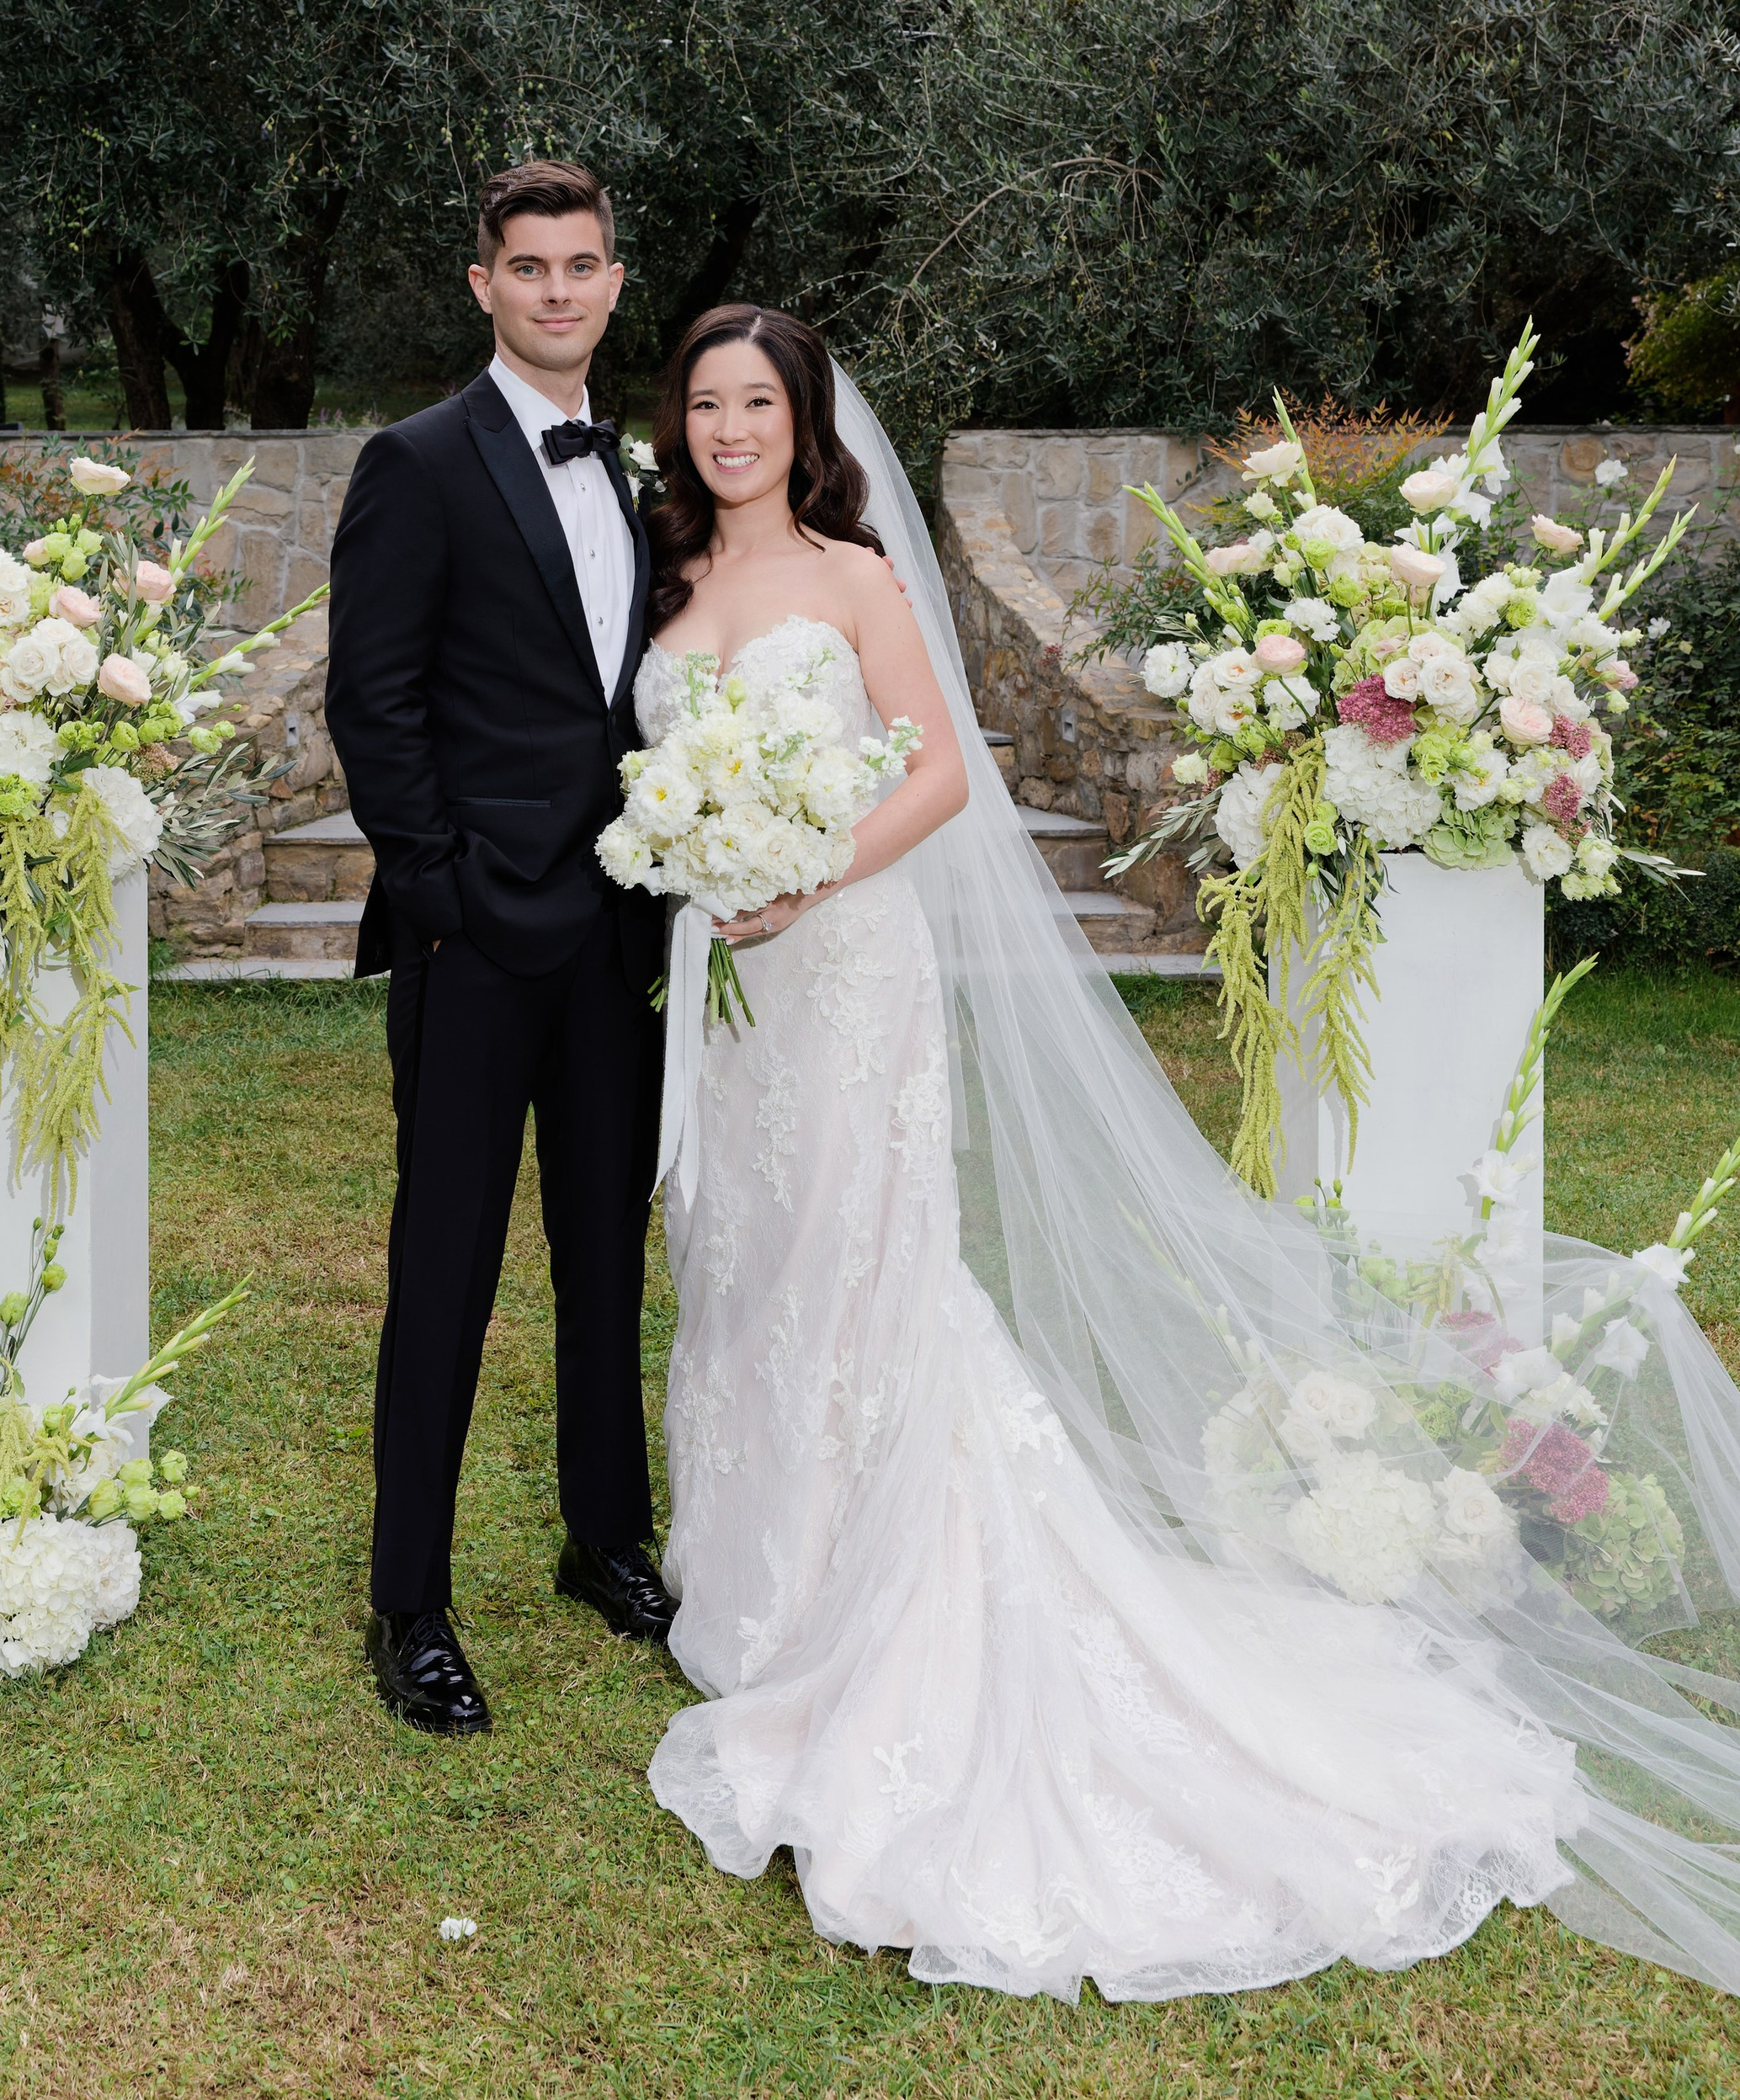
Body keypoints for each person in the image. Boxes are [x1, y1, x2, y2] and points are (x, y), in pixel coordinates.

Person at [638, 304, 1740, 2002]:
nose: (729, 431)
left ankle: (862, 1591)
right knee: (745, 1265)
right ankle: (750, 1573)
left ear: (801, 424)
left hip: (844, 973)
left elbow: (941, 774)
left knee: (862, 1268)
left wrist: (810, 872)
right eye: (705, 404)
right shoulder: (673, 590)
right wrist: (707, 863)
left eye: (756, 403)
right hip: (729, 991)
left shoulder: (853, 576)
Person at [326, 161, 669, 1737]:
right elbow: (373, 706)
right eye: (526, 267)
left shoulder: (644, 474)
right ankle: (411, 1604)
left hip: (617, 935)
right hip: (476, 943)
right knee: (444, 1271)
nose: (555, 290)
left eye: (580, 265)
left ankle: (605, 1541)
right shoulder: (417, 462)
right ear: (482, 285)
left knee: (607, 1256)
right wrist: (442, 892)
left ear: (613, 280)